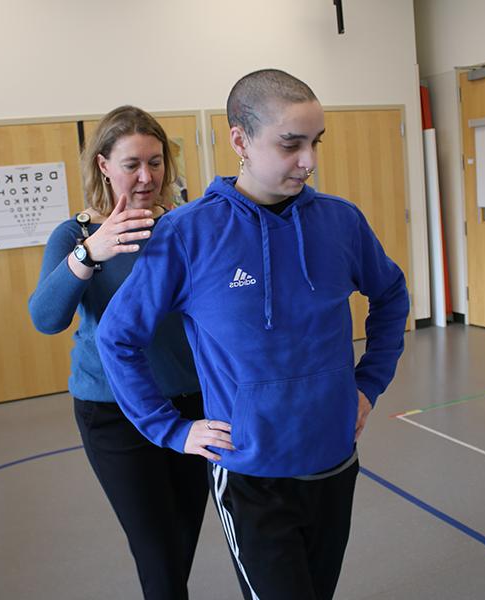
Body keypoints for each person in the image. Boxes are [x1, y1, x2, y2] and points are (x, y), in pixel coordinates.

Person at [97, 70, 409, 600]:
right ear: (240, 140)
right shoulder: (187, 234)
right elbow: (117, 337)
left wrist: (369, 383)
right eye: (291, 144)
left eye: (315, 143)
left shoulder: (341, 222)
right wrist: (171, 430)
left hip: (335, 462)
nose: (309, 160)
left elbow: (391, 293)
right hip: (251, 475)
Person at [28, 105, 207, 600]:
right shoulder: (75, 235)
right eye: (132, 164)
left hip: (189, 405)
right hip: (112, 411)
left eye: (156, 162)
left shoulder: (184, 227)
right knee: (157, 551)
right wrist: (92, 253)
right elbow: (46, 319)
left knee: (180, 539)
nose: (147, 176)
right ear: (104, 165)